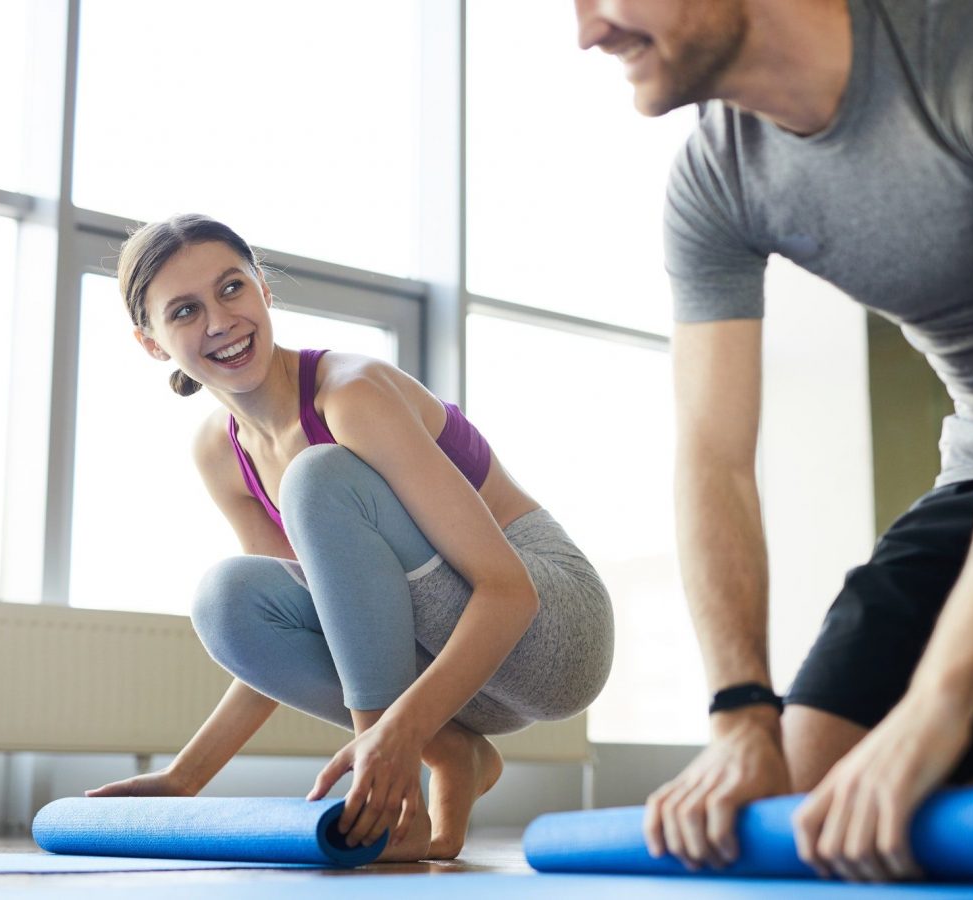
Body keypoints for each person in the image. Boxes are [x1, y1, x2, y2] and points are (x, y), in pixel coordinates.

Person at [576, 0, 973, 882]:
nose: (587, 30)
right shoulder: (715, 176)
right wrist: (741, 714)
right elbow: (714, 457)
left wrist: (939, 706)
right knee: (803, 811)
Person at [84, 214, 613, 861]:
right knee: (227, 600)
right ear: (152, 342)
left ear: (263, 288)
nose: (219, 321)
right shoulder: (221, 454)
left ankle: (390, 798)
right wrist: (185, 777)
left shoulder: (350, 393)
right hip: (457, 679)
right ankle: (453, 751)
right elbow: (305, 623)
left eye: (231, 288)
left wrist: (392, 740)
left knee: (318, 477)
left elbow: (509, 592)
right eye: (186, 311)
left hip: (551, 629)